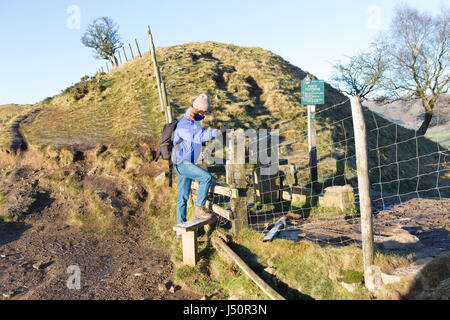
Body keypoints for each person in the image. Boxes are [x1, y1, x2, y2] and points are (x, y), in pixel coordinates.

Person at [172, 93, 226, 240]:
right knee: (206, 177)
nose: (205, 115)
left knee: (182, 197)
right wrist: (216, 132)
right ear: (196, 109)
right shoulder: (185, 123)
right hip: (182, 163)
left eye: (206, 113)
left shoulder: (194, 122)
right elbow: (198, 136)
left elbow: (198, 137)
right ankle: (199, 209)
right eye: (203, 112)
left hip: (185, 162)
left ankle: (180, 232)